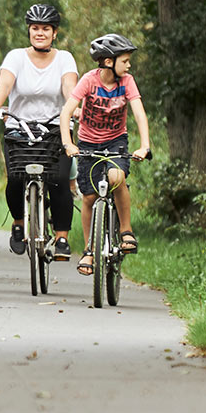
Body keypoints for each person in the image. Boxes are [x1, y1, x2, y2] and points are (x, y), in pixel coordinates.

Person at [0, 3, 79, 261]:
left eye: (45, 29)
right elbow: (5, 83)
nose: (39, 33)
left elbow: (70, 88)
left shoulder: (65, 58)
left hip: (55, 128)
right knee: (15, 178)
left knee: (58, 179)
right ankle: (18, 222)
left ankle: (61, 238)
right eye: (35, 28)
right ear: (29, 30)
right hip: (19, 126)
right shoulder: (16, 57)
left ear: (54, 33)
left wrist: (74, 108)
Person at [58, 33, 152, 276]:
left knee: (116, 177)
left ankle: (126, 231)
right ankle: (89, 250)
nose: (129, 65)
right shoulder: (89, 81)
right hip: (87, 144)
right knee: (88, 198)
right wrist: (68, 144)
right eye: (125, 60)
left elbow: (139, 112)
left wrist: (144, 145)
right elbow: (66, 112)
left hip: (116, 142)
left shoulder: (127, 81)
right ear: (109, 61)